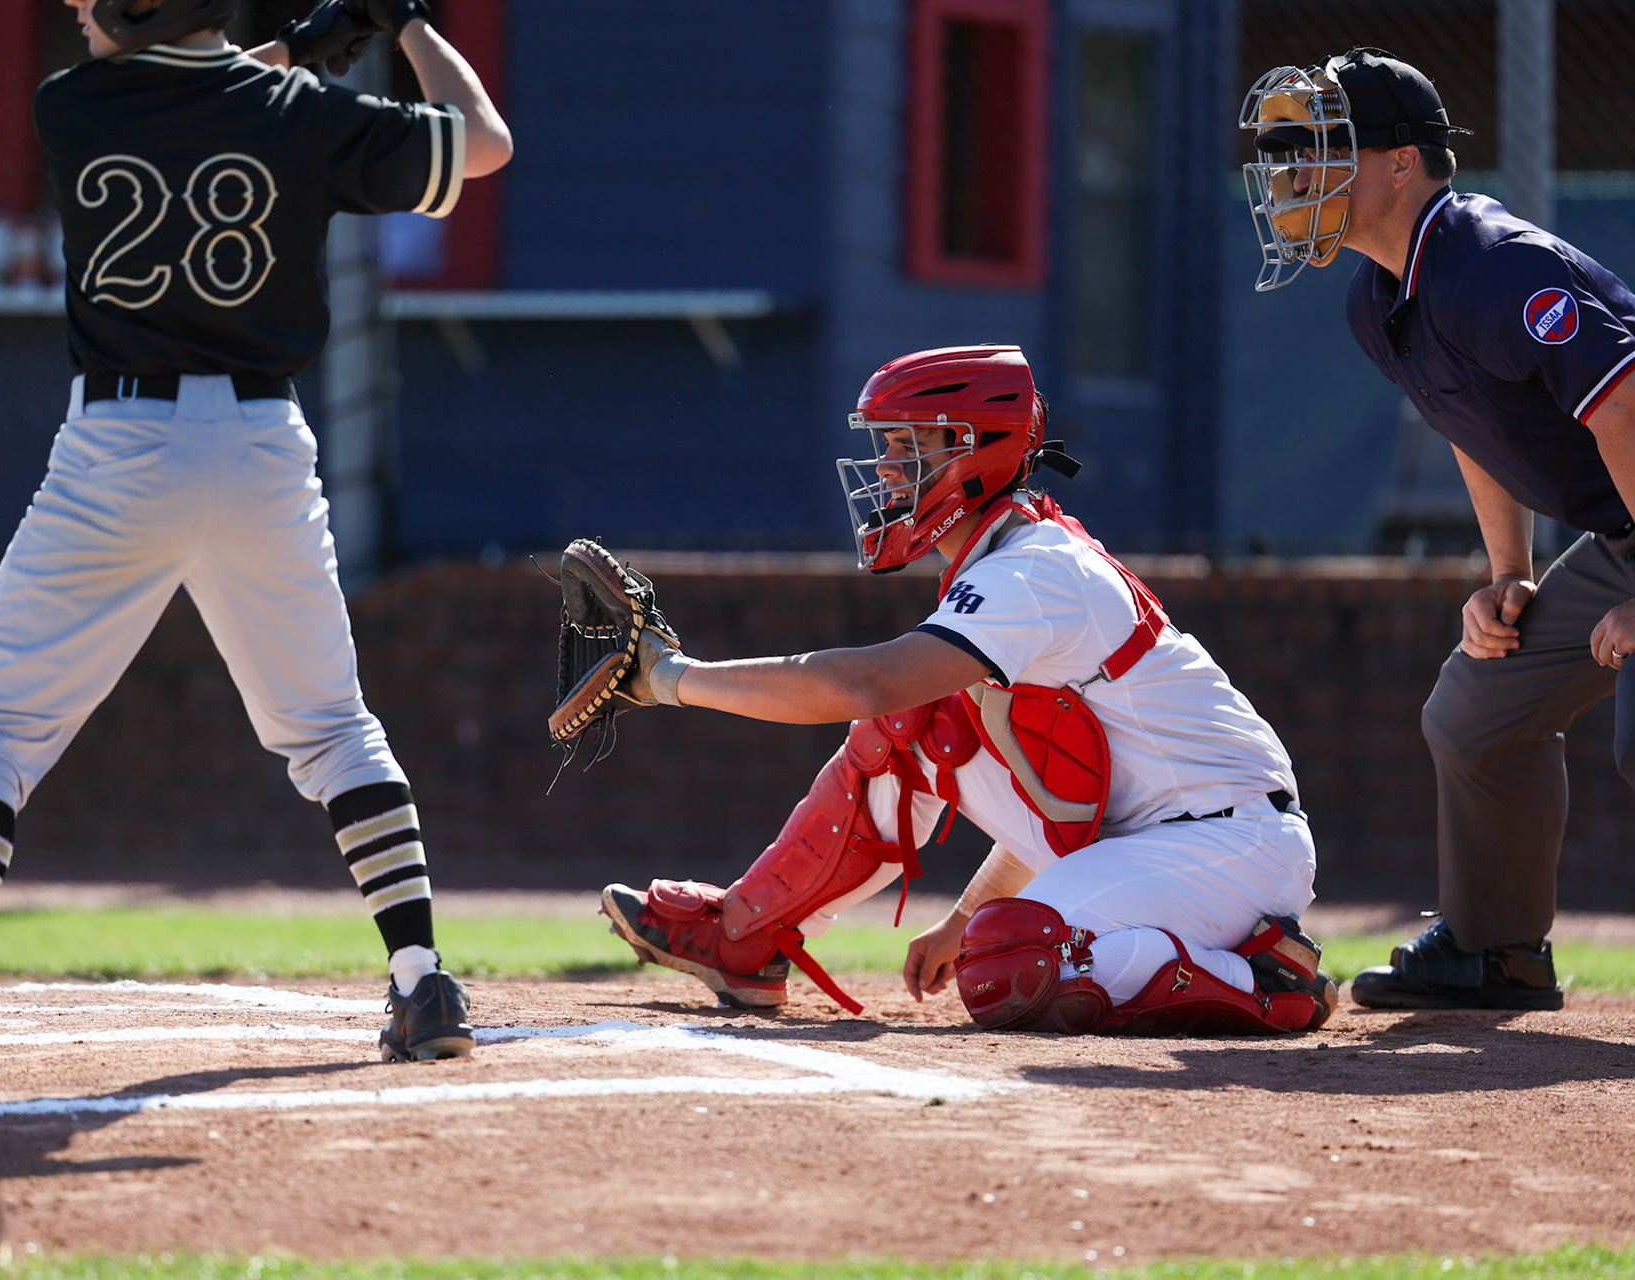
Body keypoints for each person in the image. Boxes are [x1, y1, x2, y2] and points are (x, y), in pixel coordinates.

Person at [0, 0, 511, 1084]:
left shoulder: (71, 104)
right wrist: (405, 25)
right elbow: (481, 142)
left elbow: (194, 99)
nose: (77, 8)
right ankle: (424, 980)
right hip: (261, 450)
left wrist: (296, 51)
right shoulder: (296, 111)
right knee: (332, 726)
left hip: (118, 448)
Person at [595, 345, 1337, 1036]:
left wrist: (670, 679)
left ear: (976, 451)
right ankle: (744, 936)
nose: (887, 468)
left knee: (1010, 962)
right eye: (887, 444)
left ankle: (1262, 975)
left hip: (1231, 843)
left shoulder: (1032, 569)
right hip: (1154, 838)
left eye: (908, 445)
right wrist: (962, 918)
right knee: (915, 727)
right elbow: (1061, 794)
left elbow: (865, 682)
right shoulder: (1007, 554)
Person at [1240, 49, 1635, 1010]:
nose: (1296, 173)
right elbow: (1471, 424)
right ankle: (1495, 953)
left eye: (1325, 147)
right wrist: (1509, 572)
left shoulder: (1493, 266)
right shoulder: (1378, 297)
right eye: (1292, 152)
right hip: (1623, 534)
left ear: (1401, 164)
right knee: (1477, 708)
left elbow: (1626, 407)